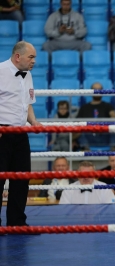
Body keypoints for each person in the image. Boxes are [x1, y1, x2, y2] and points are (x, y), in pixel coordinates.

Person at [0, 41, 42, 227]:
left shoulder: (28, 75)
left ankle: (17, 223)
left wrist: (33, 122)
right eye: (31, 57)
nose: (34, 61)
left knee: (21, 180)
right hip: (2, 133)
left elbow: (27, 103)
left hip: (21, 133)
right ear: (18, 56)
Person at [75, 82, 115, 151]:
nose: (97, 91)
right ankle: (86, 150)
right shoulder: (84, 107)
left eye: (99, 89)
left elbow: (114, 118)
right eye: (95, 89)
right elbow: (77, 123)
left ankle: (113, 151)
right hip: (89, 136)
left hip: (104, 136)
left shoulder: (108, 106)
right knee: (80, 130)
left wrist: (107, 124)